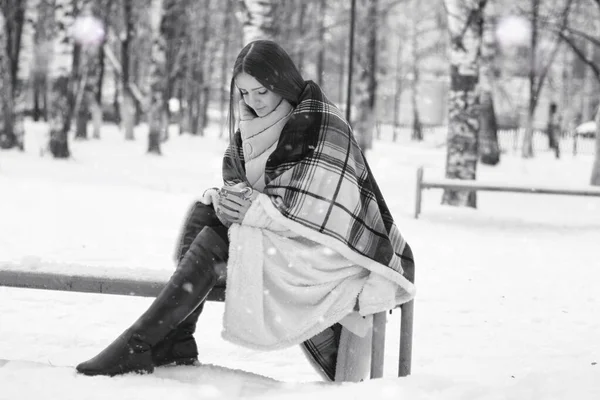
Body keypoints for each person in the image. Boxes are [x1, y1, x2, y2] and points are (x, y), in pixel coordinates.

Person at [76, 40, 416, 382]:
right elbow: (250, 184)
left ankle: (140, 343)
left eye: (261, 92)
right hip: (281, 233)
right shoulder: (252, 125)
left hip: (327, 250)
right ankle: (175, 340)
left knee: (213, 242)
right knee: (205, 213)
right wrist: (230, 201)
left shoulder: (320, 122)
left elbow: (316, 206)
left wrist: (250, 209)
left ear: (282, 82)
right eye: (244, 93)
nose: (253, 102)